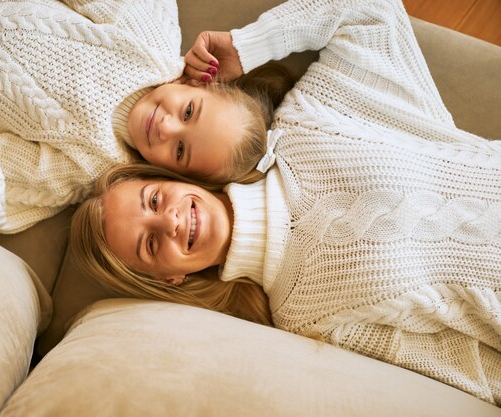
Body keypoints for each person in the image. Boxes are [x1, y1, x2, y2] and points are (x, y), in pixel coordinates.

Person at [69, 0, 501, 405]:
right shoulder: (304, 319)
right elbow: (468, 369)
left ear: (174, 177)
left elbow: (370, 11)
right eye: (149, 244)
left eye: (155, 199)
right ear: (169, 280)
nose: (169, 222)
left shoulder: (310, 121)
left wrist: (249, 45)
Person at [0, 0, 292, 233]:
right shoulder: (148, 38)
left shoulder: (90, 164)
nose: (166, 126)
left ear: (170, 174)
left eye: (180, 150)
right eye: (188, 111)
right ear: (198, 84)